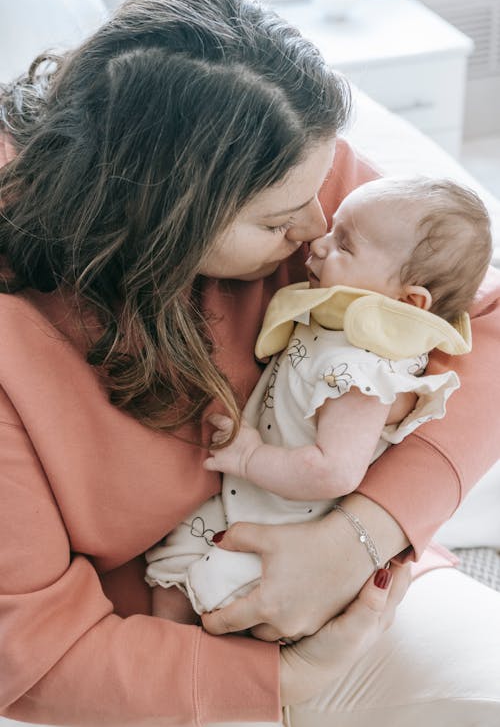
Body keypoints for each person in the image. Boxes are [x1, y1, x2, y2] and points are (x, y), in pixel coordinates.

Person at [0, 0, 499, 727]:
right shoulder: (19, 342)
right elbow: (37, 648)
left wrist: (357, 535)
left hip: (345, 575)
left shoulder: (284, 153)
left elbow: (486, 321)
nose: (320, 223)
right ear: (164, 220)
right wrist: (286, 677)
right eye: (276, 222)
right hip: (152, 648)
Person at [144, 175, 492, 615]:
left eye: (345, 245)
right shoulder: (337, 322)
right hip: (250, 501)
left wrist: (251, 458)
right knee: (174, 565)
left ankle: (207, 661)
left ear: (410, 302)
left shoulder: (366, 370)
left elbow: (334, 472)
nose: (318, 243)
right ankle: (171, 649)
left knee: (218, 593)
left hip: (289, 524)